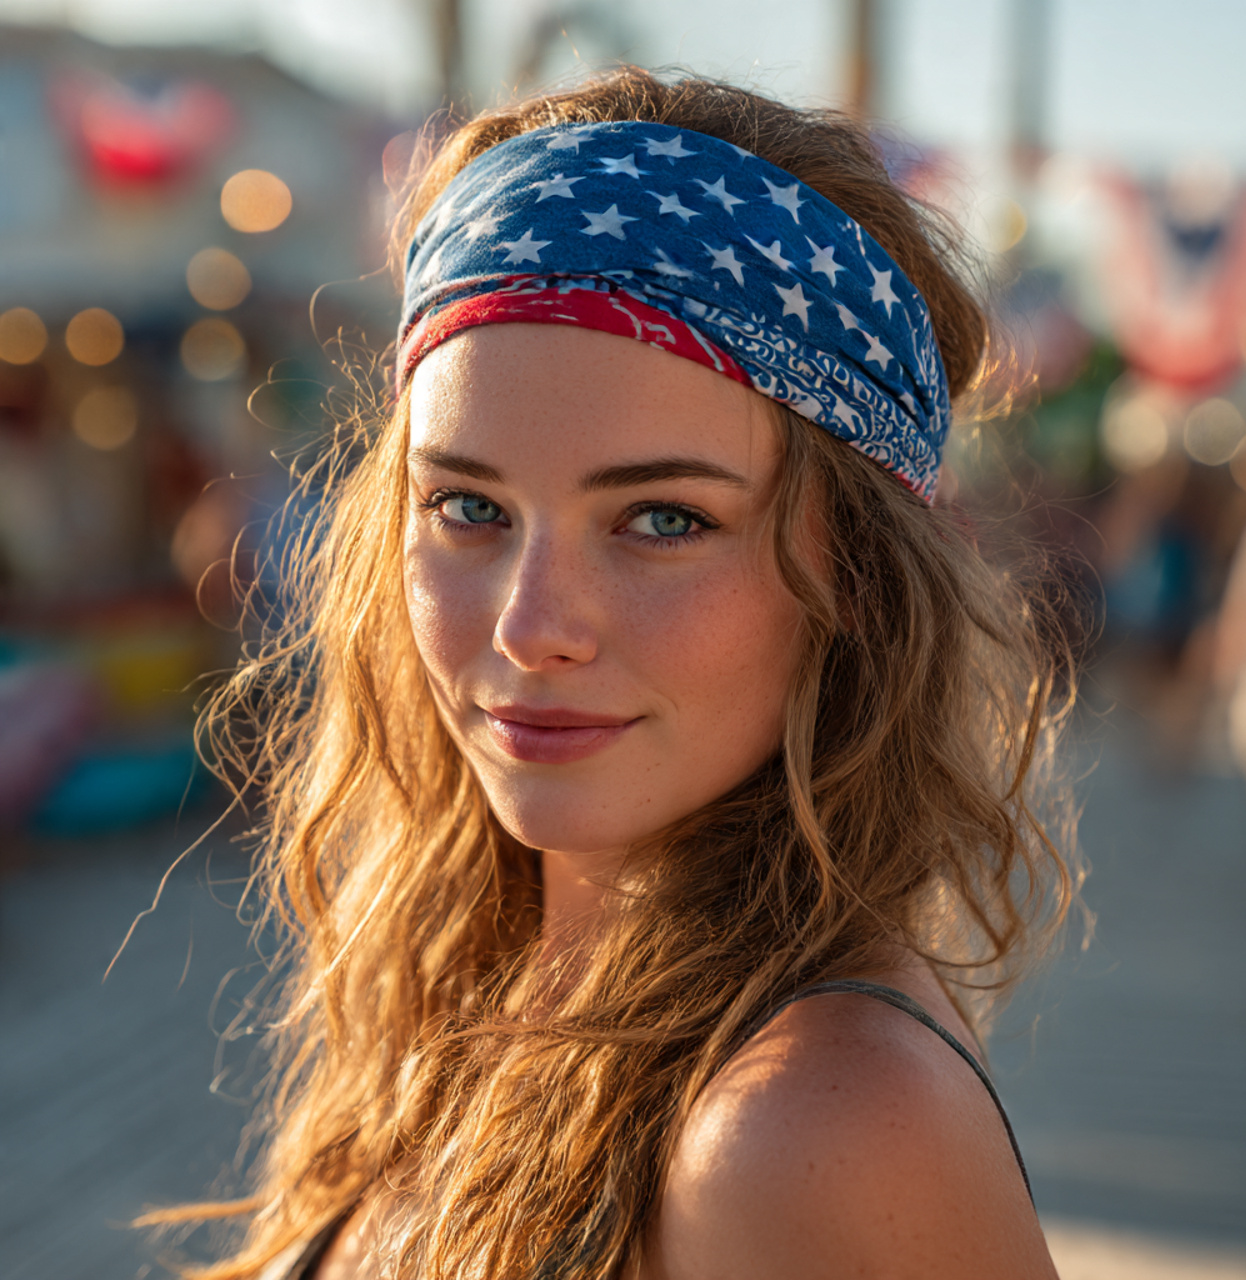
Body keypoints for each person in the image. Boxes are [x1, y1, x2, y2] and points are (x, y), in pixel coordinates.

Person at [165, 69, 1076, 1280]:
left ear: (857, 572)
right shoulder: (464, 985)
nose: (532, 624)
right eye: (468, 506)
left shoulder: (809, 1128)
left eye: (659, 520)